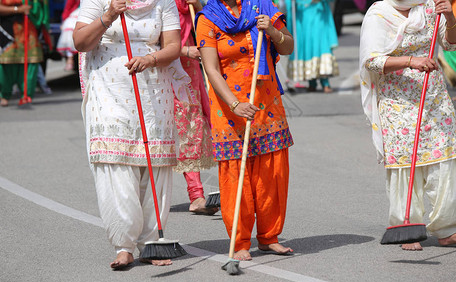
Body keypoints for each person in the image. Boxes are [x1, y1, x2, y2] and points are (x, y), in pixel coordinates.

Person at [360, 0, 456, 251]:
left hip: (433, 95)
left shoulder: (429, 6)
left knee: (447, 156)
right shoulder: (379, 14)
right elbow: (372, 62)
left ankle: (447, 230)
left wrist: (449, 18)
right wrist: (410, 61)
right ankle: (408, 227)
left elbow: (451, 44)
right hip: (397, 100)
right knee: (406, 163)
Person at [73, 0, 183, 268]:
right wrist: (109, 15)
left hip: (153, 89)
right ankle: (124, 245)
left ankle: (151, 242)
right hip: (109, 91)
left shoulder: (163, 1)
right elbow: (80, 42)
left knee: (154, 164)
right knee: (116, 161)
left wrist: (151, 58)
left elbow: (173, 46)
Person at [196, 0, 295, 260]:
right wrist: (235, 104)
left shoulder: (263, 6)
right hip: (228, 107)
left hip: (265, 101)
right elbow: (211, 69)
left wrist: (273, 32)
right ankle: (240, 242)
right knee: (235, 173)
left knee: (270, 172)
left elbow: (288, 47)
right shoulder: (208, 18)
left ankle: (269, 237)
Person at [174, 0, 217, 215]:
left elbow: (210, 27)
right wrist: (183, 50)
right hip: (160, 73)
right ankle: (144, 195)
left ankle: (197, 195)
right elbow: (147, 42)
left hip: (189, 72)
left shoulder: (190, 4)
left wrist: (199, 7)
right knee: (161, 137)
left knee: (191, 131)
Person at [0, 0, 47, 107]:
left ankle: (26, 95)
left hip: (28, 30)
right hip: (8, 32)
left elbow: (39, 8)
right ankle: (5, 95)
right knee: (6, 65)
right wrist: (18, 9)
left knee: (30, 63)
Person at [285, 0, 338, 93]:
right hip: (302, 16)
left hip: (318, 13)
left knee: (320, 46)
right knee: (307, 47)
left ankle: (325, 82)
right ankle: (311, 82)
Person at [57, 0, 80, 71]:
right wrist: (64, 20)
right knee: (69, 29)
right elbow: (68, 7)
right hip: (76, 15)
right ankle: (70, 58)